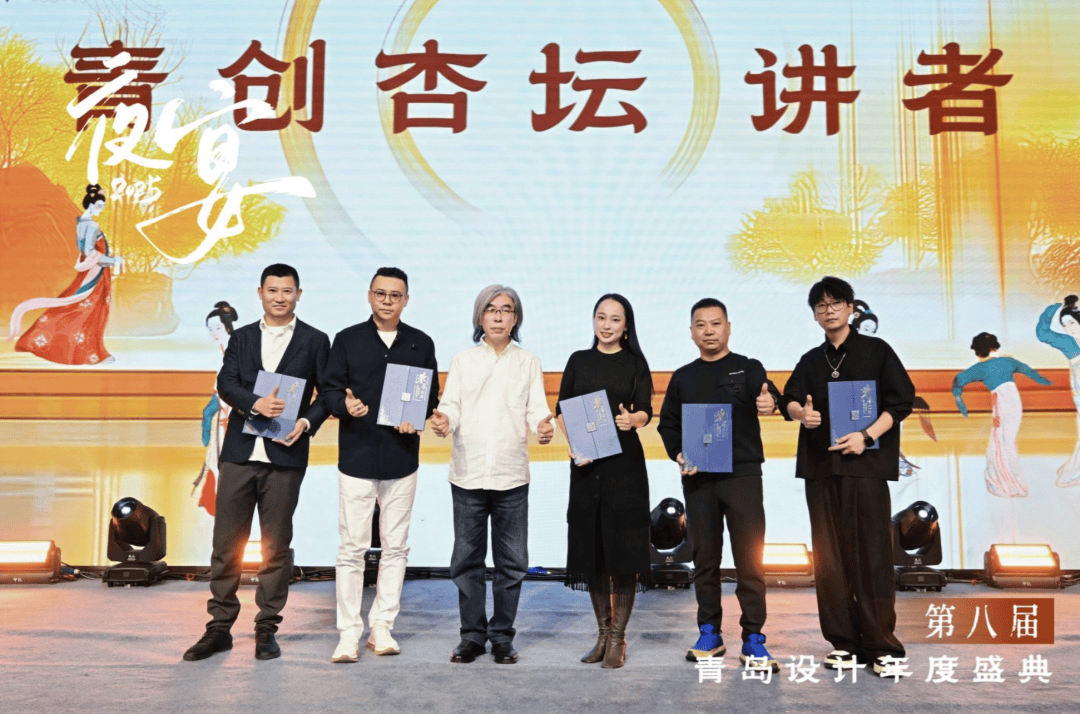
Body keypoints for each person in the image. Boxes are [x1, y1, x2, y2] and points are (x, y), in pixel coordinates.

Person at [183, 264, 331, 662]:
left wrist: (305, 422)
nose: (280, 297)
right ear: (260, 293)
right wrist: (255, 404)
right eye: (272, 290)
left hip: (286, 455)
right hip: (240, 454)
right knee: (225, 545)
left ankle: (267, 628)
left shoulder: (316, 340)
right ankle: (219, 628)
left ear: (299, 294)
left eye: (287, 291)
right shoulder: (243, 337)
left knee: (276, 546)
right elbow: (227, 383)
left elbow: (328, 393)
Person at [779, 276, 913, 677]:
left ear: (851, 308)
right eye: (821, 306)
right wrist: (802, 414)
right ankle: (843, 643)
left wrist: (866, 435)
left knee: (873, 555)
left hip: (865, 468)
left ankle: (882, 645)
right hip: (821, 469)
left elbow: (901, 402)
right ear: (814, 315)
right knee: (829, 559)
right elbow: (789, 400)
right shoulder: (810, 360)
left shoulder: (877, 351)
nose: (829, 311)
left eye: (836, 303)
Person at [430, 285, 555, 665]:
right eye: (491, 309)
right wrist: (444, 421)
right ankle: (471, 636)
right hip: (467, 474)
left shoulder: (528, 361)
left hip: (511, 475)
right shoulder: (464, 360)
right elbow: (451, 406)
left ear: (515, 318)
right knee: (466, 561)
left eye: (506, 310)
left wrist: (544, 426)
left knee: (511, 562)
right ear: (480, 317)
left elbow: (537, 409)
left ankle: (502, 636)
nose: (498, 316)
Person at [321, 267, 439, 663]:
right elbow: (330, 390)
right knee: (351, 549)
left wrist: (417, 417)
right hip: (356, 456)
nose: (387, 301)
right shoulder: (348, 339)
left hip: (401, 458)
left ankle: (382, 626)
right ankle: (348, 633)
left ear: (406, 300)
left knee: (396, 547)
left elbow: (430, 395)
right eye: (380, 293)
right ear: (369, 296)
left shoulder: (420, 343)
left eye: (395, 295)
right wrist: (344, 404)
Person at [657, 298, 781, 672]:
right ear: (691, 332)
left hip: (742, 477)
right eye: (701, 325)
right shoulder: (683, 377)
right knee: (705, 560)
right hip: (699, 480)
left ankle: (754, 638)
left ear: (728, 327)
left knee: (750, 560)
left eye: (715, 323)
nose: (709, 331)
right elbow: (668, 424)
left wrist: (770, 402)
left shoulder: (748, 367)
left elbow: (768, 394)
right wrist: (679, 454)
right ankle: (709, 632)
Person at [554, 294, 653, 669]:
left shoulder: (635, 362)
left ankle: (618, 638)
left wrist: (633, 420)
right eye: (601, 317)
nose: (607, 325)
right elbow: (562, 410)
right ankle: (601, 633)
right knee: (593, 551)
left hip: (624, 468)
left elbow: (645, 410)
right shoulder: (578, 360)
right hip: (586, 467)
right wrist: (572, 444)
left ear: (626, 326)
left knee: (623, 553)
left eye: (615, 319)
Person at [8, 184, 123, 365]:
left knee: (80, 307)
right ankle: (90, 353)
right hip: (94, 273)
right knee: (90, 310)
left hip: (93, 271)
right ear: (90, 204)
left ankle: (66, 345)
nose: (101, 209)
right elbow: (88, 251)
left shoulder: (82, 222)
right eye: (99, 205)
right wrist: (112, 260)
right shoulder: (91, 225)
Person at [953, 332, 1051, 498]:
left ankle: (1008, 484)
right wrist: (1045, 381)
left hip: (1002, 404)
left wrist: (959, 402)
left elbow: (958, 381)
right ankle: (1010, 483)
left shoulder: (980, 368)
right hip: (1013, 403)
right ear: (994, 347)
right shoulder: (1008, 361)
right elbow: (1030, 371)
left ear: (979, 351)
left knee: (1001, 443)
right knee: (1005, 442)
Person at [193, 301, 239, 516]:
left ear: (228, 328)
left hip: (235, 413)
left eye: (218, 328)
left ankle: (229, 503)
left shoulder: (237, 352)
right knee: (216, 457)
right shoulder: (224, 353)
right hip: (224, 410)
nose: (214, 333)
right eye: (210, 329)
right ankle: (218, 502)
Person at [1036, 297, 1080, 487]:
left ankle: (1071, 470)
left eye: (1072, 323)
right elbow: (1042, 333)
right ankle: (1070, 474)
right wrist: (1052, 309)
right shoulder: (1068, 342)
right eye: (1065, 325)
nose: (1069, 328)